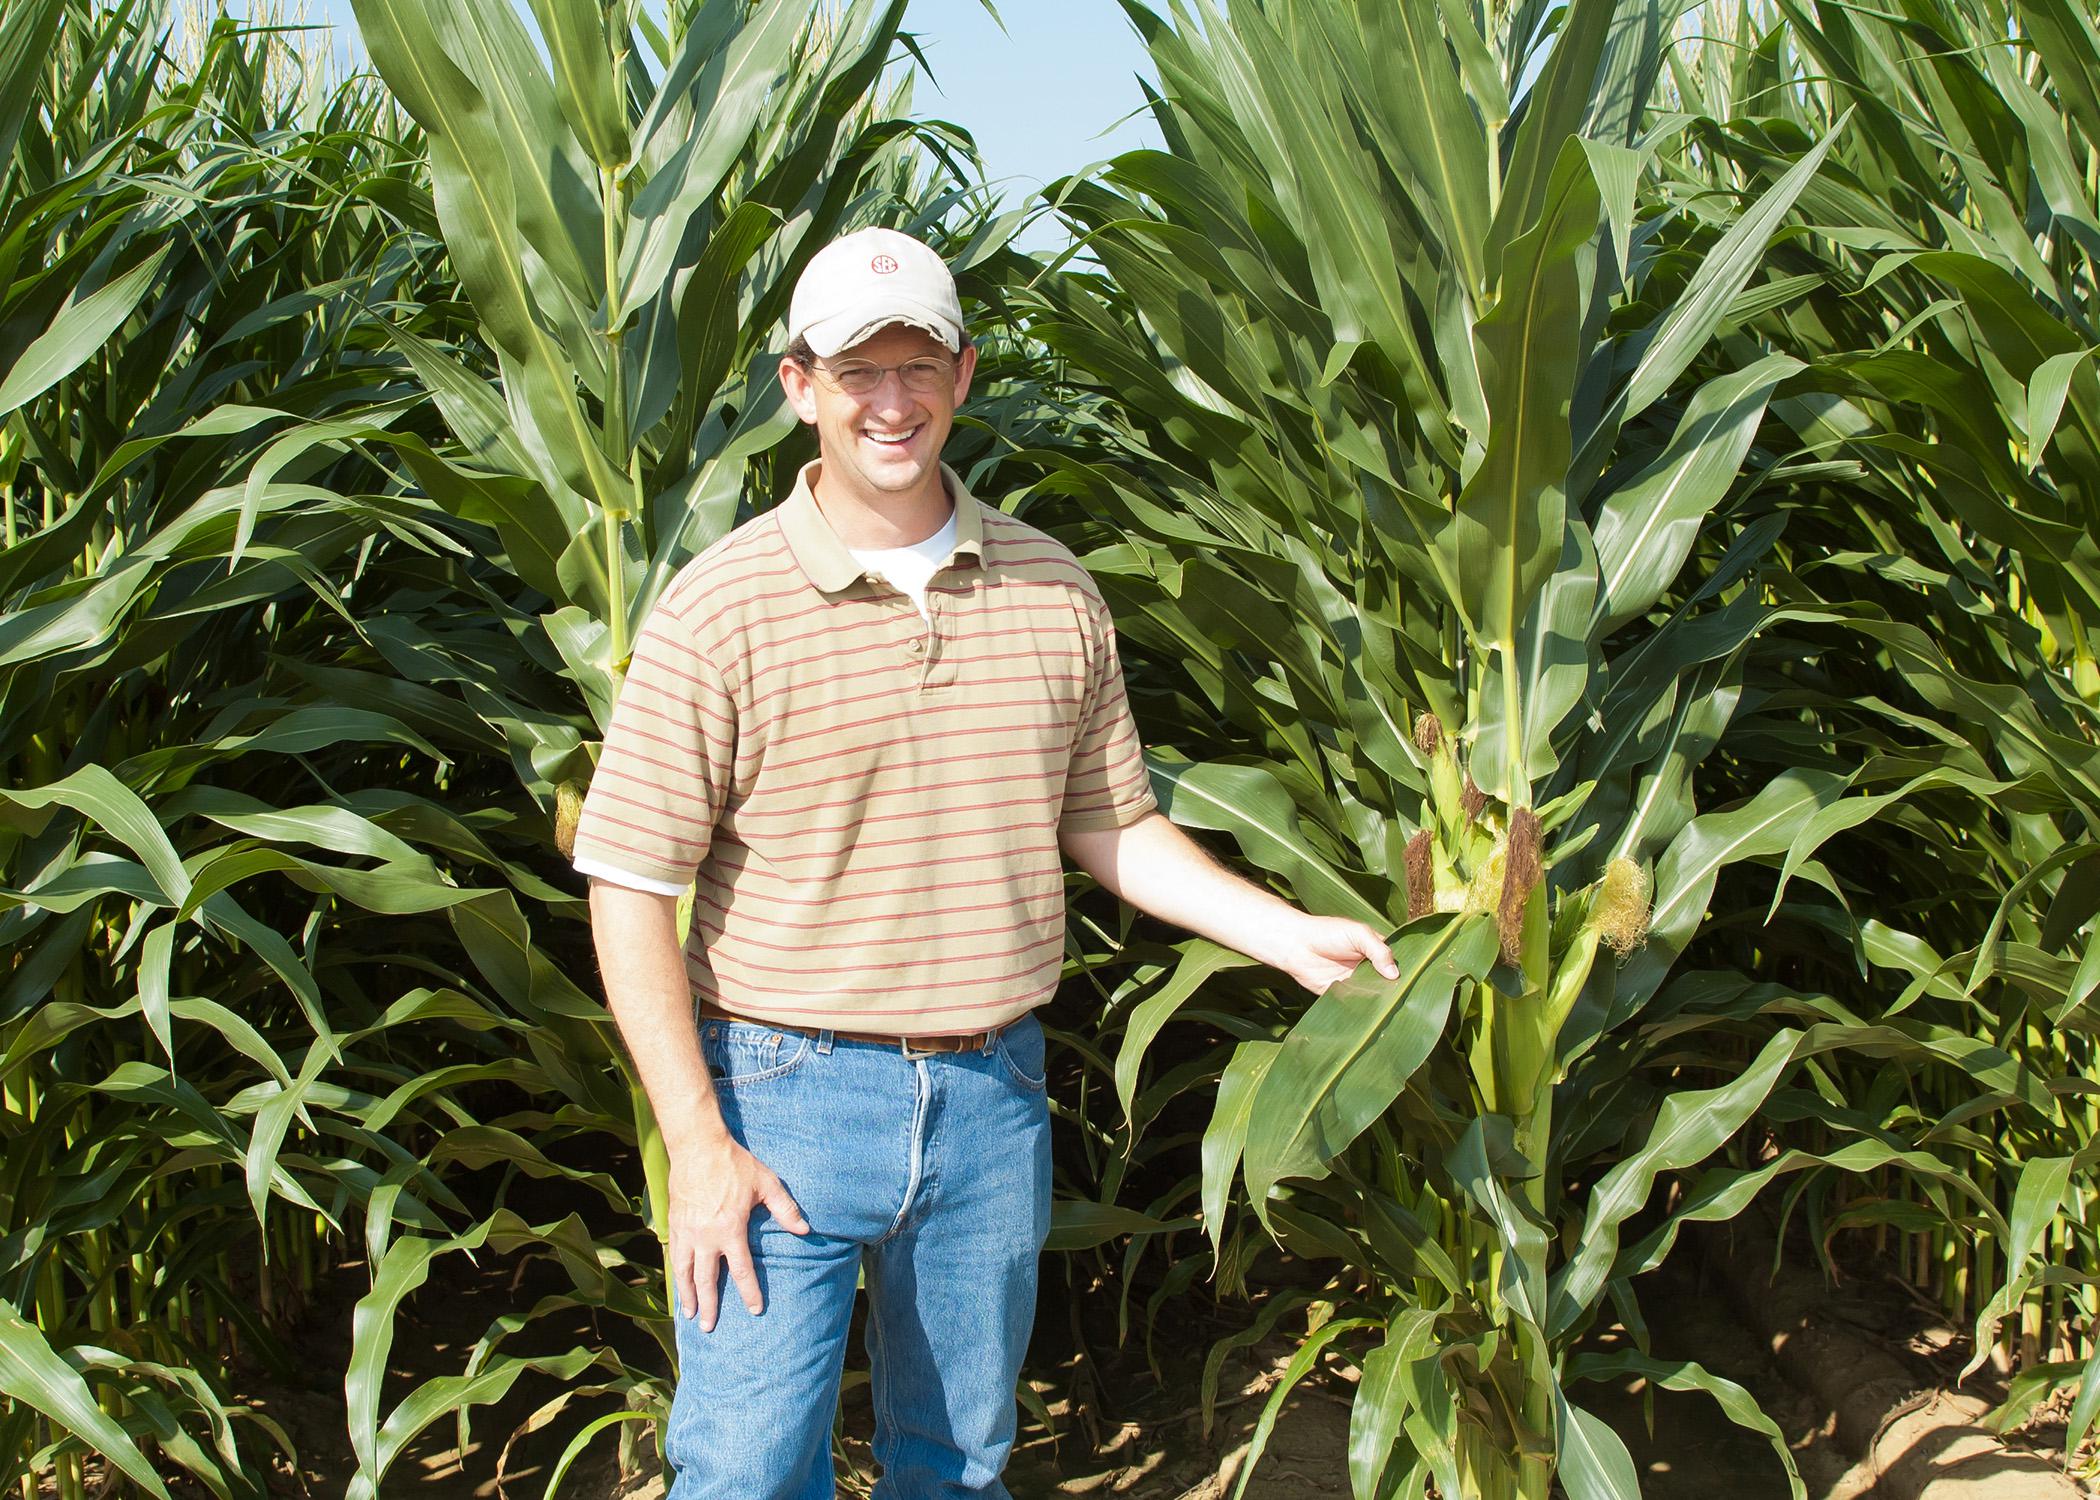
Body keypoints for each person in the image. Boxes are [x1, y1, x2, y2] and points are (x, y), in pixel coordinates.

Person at [572, 225, 1398, 1499]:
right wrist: (697, 1140)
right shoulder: (718, 608)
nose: (890, 403)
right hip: (780, 1100)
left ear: (963, 375)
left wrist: (1284, 931)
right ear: (801, 388)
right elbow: (627, 881)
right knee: (741, 1471)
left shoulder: (1054, 592)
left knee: (956, 1468)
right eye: (857, 372)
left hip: (990, 1099)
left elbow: (1111, 823)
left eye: (918, 365)